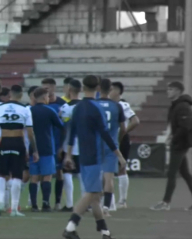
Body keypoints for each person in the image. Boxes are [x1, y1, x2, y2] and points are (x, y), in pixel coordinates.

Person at [62, 75, 126, 239]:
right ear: (98, 88)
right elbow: (105, 134)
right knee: (92, 193)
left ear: (83, 88)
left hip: (82, 154)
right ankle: (70, 227)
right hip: (95, 155)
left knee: (95, 197)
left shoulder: (77, 108)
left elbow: (72, 134)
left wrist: (68, 155)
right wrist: (119, 155)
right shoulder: (96, 108)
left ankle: (104, 231)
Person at [150, 81, 192, 211]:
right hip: (180, 142)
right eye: (168, 89)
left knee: (171, 173)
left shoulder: (182, 106)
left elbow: (184, 127)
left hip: (181, 143)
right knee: (185, 173)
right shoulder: (177, 106)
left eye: (171, 89)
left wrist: (173, 139)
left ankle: (166, 202)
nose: (168, 91)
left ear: (178, 91)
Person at [0, 85, 39, 217]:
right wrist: (34, 150)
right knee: (17, 175)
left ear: (10, 94)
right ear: (21, 94)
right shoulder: (25, 109)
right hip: (18, 142)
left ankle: (0, 202)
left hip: (4, 142)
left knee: (1, 174)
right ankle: (14, 209)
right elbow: (30, 132)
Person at [28, 87, 63, 212]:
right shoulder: (49, 111)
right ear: (44, 97)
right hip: (47, 147)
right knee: (47, 176)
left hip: (33, 148)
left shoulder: (29, 111)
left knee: (34, 177)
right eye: (48, 96)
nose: (49, 99)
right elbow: (61, 126)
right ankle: (45, 203)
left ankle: (34, 205)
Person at [97, 79, 126, 217]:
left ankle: (92, 204)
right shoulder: (117, 106)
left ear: (98, 88)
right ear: (110, 90)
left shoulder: (93, 105)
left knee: (94, 176)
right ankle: (106, 209)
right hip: (111, 145)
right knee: (109, 178)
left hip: (95, 145)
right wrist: (116, 141)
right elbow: (123, 128)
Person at [109, 81, 140, 208]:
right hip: (112, 138)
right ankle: (117, 201)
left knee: (119, 169)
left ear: (117, 92)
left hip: (119, 139)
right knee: (115, 169)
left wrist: (123, 133)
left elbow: (135, 121)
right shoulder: (111, 104)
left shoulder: (122, 105)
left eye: (112, 90)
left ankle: (120, 201)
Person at [59, 79, 84, 212]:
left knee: (67, 173)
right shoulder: (87, 106)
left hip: (69, 145)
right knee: (82, 174)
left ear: (69, 90)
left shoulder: (66, 107)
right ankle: (86, 203)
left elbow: (63, 125)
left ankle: (69, 204)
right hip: (84, 145)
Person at [41, 78, 67, 210]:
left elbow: (65, 127)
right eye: (43, 88)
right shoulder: (40, 104)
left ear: (53, 88)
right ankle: (42, 201)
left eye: (47, 88)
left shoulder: (61, 104)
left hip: (57, 143)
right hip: (44, 143)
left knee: (59, 172)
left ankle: (57, 202)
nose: (45, 91)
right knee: (42, 174)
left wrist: (62, 146)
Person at [24, 86, 38, 209]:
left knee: (35, 175)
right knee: (25, 175)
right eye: (34, 94)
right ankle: (15, 201)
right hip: (26, 146)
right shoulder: (26, 109)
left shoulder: (41, 109)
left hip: (38, 147)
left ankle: (31, 201)